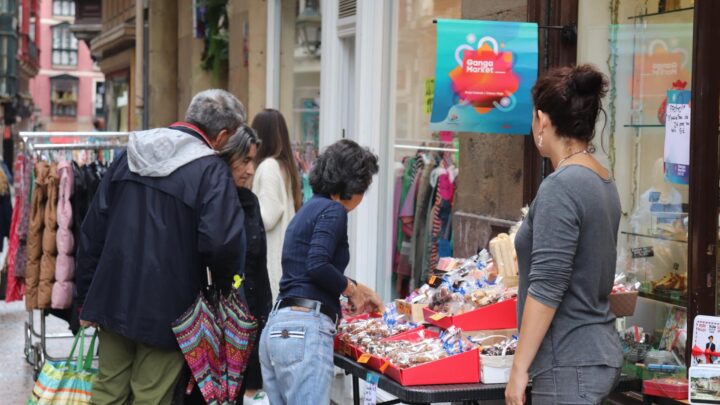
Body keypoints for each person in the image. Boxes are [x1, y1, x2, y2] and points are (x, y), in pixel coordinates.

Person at [75, 89, 248, 405]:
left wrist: (85, 296)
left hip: (113, 293)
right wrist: (225, 291)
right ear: (223, 135)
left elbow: (92, 229)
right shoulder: (211, 170)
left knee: (107, 390)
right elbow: (222, 244)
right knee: (151, 394)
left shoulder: (130, 153)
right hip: (171, 306)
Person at [505, 65, 623, 405]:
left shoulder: (562, 185)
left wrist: (518, 368)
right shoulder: (602, 179)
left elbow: (547, 286)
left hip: (568, 360)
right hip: (590, 352)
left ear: (542, 121)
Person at [259, 139, 384, 405]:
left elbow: (311, 266)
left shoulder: (309, 209)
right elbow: (317, 265)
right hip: (304, 330)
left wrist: (357, 289)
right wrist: (352, 291)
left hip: (277, 328)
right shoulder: (334, 210)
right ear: (353, 184)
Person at [218, 126, 274, 405]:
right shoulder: (210, 202)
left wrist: (264, 320)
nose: (251, 170)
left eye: (254, 161)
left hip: (248, 323)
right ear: (227, 156)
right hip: (211, 329)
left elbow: (259, 270)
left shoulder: (250, 202)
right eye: (246, 160)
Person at [251, 109, 302, 300]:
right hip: (282, 258)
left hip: (271, 260)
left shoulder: (268, 167)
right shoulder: (284, 166)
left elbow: (267, 218)